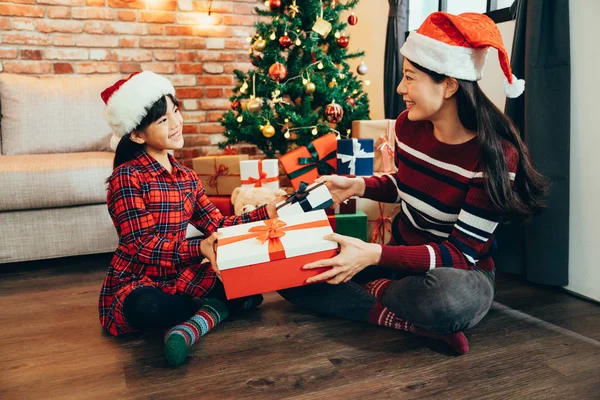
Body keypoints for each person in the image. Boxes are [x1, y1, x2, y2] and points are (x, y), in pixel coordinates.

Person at [279, 12, 548, 354]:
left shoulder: (495, 156)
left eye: (410, 77)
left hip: (457, 272)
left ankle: (373, 293)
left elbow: (459, 254)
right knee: (291, 274)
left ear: (449, 85)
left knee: (450, 301)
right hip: (396, 260)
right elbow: (410, 184)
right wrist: (358, 185)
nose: (400, 89)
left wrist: (374, 255)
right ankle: (394, 315)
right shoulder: (408, 126)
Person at [98, 71, 279, 366]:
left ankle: (191, 316)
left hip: (181, 274)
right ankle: (206, 311)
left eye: (176, 112)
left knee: (250, 287)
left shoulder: (186, 177)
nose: (176, 123)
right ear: (137, 134)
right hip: (138, 279)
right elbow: (141, 245)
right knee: (148, 308)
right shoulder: (127, 177)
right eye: (163, 120)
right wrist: (200, 248)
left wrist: (267, 212)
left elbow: (217, 224)